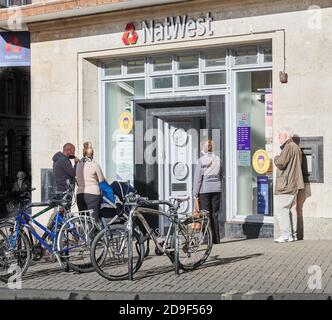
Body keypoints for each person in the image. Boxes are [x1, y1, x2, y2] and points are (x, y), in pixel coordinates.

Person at [274, 127, 304, 243]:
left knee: (281, 209)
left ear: (285, 135)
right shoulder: (296, 147)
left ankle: (285, 235)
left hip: (286, 184)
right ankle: (293, 235)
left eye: (280, 135)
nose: (278, 138)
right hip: (293, 183)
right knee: (291, 210)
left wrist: (276, 157)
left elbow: (281, 163)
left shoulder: (288, 146)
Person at [193, 139, 223, 244]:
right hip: (217, 189)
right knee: (215, 214)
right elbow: (221, 174)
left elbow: (198, 179)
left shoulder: (201, 160)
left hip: (204, 190)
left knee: (206, 215)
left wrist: (195, 194)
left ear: (203, 148)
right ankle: (216, 238)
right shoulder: (218, 159)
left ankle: (207, 239)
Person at [76, 142, 105, 222]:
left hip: (80, 195)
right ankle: (92, 234)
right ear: (93, 153)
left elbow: (77, 181)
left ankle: (83, 234)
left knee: (83, 220)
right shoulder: (94, 165)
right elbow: (101, 180)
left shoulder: (78, 165)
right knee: (92, 220)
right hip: (93, 195)